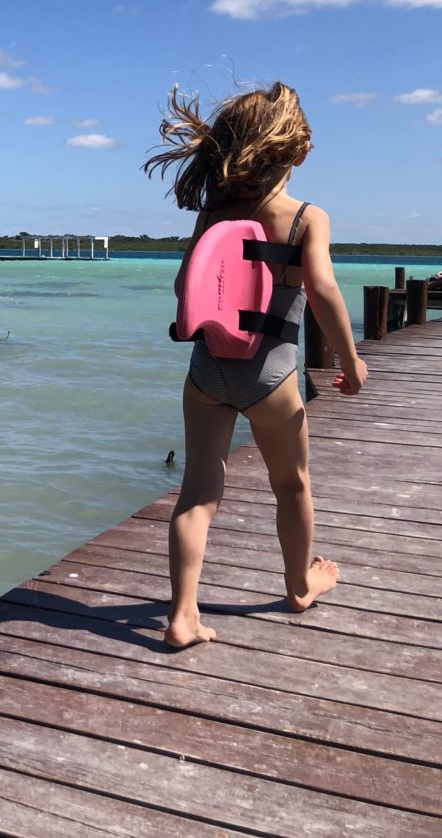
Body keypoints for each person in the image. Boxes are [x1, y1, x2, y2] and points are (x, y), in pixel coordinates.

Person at [143, 81, 366, 649]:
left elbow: (183, 286)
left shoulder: (214, 213)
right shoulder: (305, 217)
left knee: (198, 492)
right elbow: (323, 292)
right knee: (291, 485)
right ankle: (298, 587)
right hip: (272, 377)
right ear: (299, 150)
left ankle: (183, 615)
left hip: (207, 371)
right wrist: (351, 359)